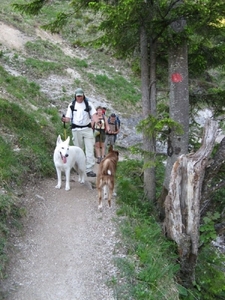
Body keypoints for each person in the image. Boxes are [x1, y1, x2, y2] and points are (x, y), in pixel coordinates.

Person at [62, 88, 99, 177]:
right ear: (75, 96)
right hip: (76, 129)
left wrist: (97, 121)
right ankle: (79, 169)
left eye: (81, 96)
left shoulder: (88, 104)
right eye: (78, 96)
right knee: (78, 150)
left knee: (89, 149)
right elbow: (68, 118)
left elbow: (94, 115)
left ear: (83, 95)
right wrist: (64, 119)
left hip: (87, 129)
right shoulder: (72, 105)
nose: (79, 98)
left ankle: (89, 170)